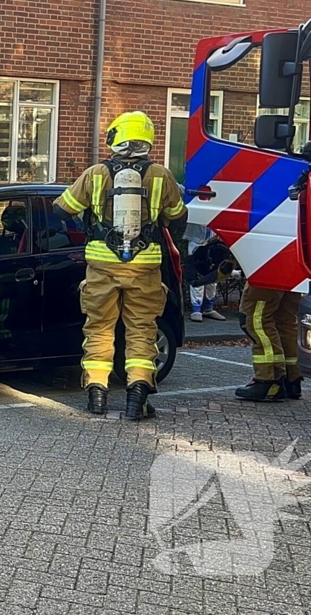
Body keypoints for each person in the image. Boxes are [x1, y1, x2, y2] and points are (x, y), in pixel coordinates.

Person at [53, 111, 188, 420]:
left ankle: (96, 397)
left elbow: (61, 209)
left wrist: (91, 218)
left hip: (102, 266)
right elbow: (178, 217)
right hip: (145, 267)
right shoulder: (161, 175)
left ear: (116, 136)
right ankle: (137, 397)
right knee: (142, 330)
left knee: (99, 329)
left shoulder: (95, 173)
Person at [234, 285, 303, 401]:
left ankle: (269, 380)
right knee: (284, 321)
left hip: (267, 273)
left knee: (256, 320)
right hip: (293, 272)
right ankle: (292, 380)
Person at [183, 224, 232, 322]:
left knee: (213, 273)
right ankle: (196, 310)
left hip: (214, 239)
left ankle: (209, 308)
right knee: (197, 274)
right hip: (196, 240)